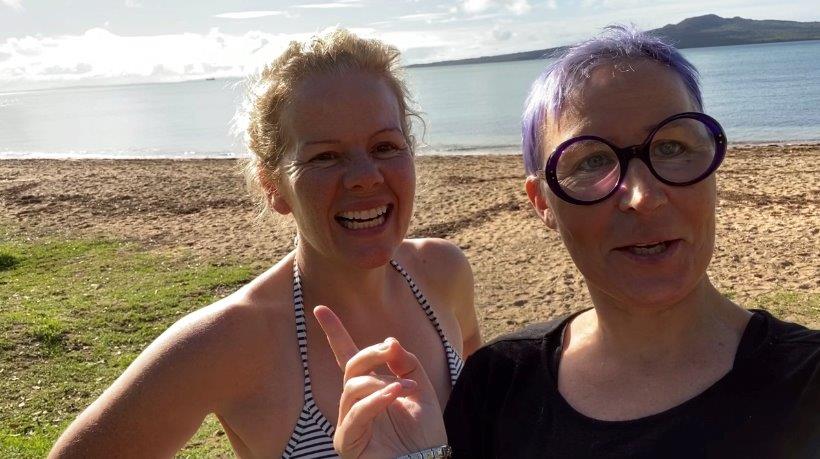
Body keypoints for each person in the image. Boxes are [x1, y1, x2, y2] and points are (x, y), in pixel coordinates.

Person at [321, 25, 819, 458]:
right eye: (592, 161)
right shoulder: (498, 386)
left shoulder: (805, 384)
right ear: (542, 203)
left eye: (672, 146)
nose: (643, 197)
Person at [49, 29, 480, 458]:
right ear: (274, 187)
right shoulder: (228, 341)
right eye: (325, 156)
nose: (365, 176)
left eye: (385, 146)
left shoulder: (443, 272)